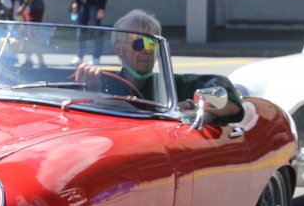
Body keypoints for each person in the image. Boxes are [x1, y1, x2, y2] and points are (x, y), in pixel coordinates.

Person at [74, 10, 243, 122]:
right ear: (118, 49)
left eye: (152, 43)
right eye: (139, 43)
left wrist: (190, 105)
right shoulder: (103, 84)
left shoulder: (174, 86)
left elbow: (233, 106)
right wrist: (91, 91)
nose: (147, 50)